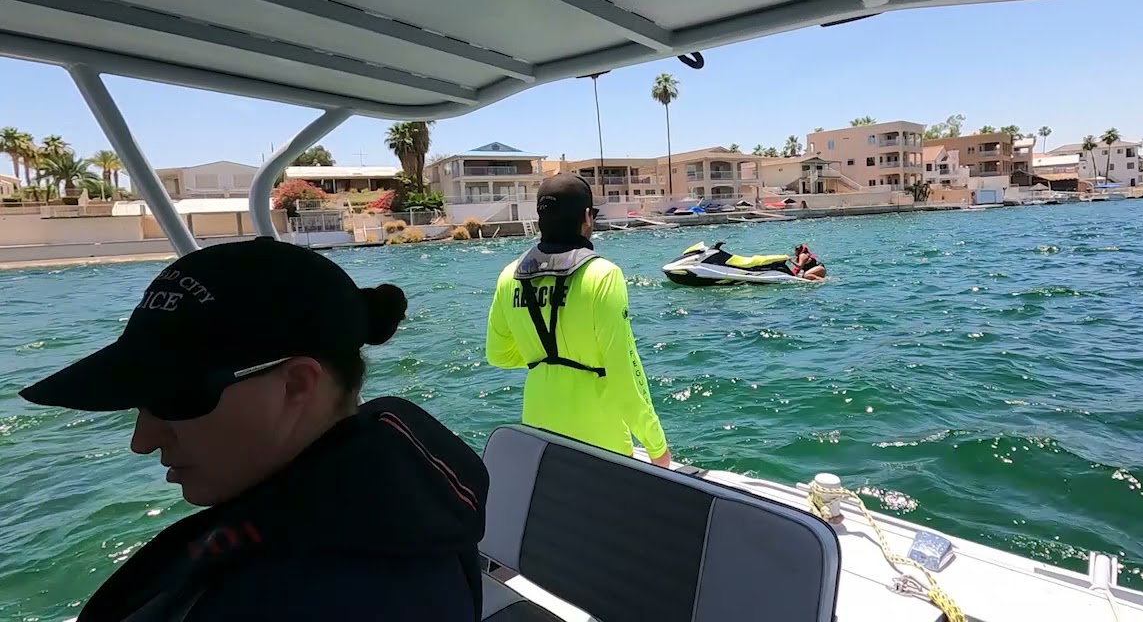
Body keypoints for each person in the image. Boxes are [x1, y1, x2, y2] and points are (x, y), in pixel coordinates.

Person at [18, 237, 488, 622]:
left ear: (297, 386)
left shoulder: (333, 598)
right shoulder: (388, 514)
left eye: (175, 398)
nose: (143, 441)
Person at [485, 173, 672, 468]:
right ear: (587, 217)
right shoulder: (603, 275)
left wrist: (548, 359)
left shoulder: (510, 276)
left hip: (539, 435)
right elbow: (624, 373)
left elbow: (497, 355)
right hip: (601, 440)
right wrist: (656, 446)